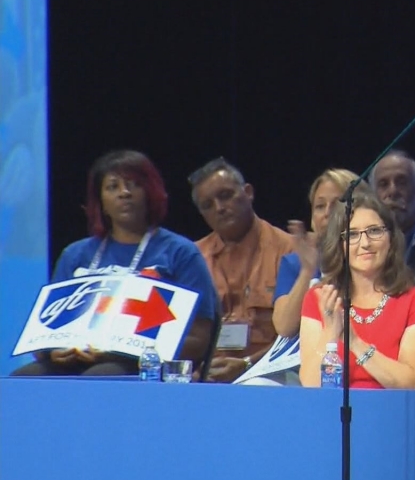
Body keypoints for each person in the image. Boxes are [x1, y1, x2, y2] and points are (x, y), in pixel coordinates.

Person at [11, 150, 218, 376]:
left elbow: (198, 341)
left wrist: (120, 351)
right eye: (113, 187)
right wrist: (53, 351)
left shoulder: (180, 253)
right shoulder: (75, 255)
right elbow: (45, 332)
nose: (124, 193)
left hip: (144, 367)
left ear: (150, 194)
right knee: (22, 379)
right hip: (76, 359)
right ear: (101, 203)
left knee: (100, 376)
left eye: (134, 185)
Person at [298, 192, 415, 388]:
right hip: (333, 413)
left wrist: (355, 343)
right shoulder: (320, 298)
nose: (365, 243)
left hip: (392, 412)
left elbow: (413, 384)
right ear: (340, 245)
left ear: (391, 238)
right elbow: (311, 385)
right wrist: (330, 332)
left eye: (374, 231)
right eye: (352, 234)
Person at [190, 157, 293, 382]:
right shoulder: (193, 257)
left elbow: (299, 337)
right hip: (208, 376)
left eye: (226, 196)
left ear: (248, 192)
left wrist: (248, 364)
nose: (219, 208)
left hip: (272, 373)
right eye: (208, 205)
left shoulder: (289, 250)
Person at [272, 168, 370, 338]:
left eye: (338, 204)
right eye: (319, 206)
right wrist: (307, 272)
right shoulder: (294, 263)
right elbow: (284, 327)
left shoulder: (372, 259)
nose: (327, 213)